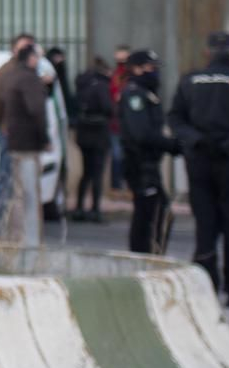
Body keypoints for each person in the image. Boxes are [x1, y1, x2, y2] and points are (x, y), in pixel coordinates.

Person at [169, 36, 229, 308]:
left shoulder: (191, 80)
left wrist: (196, 140)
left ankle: (207, 286)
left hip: (198, 161)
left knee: (206, 224)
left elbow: (175, 117)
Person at [118, 50, 180, 255]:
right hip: (139, 163)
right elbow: (141, 133)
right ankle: (144, 257)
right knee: (149, 214)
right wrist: (170, 144)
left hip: (149, 163)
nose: (154, 73)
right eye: (150, 68)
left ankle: (150, 254)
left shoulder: (146, 94)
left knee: (157, 210)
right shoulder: (134, 94)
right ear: (136, 69)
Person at [0, 43, 50, 244]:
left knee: (8, 185)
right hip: (23, 141)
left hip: (11, 136)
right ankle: (18, 237)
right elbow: (36, 111)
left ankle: (0, 233)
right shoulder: (24, 78)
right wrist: (44, 139)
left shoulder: (11, 75)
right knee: (22, 191)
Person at [72, 56, 114, 221]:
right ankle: (95, 209)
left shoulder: (82, 84)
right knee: (97, 172)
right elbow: (107, 108)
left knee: (86, 172)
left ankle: (79, 208)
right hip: (98, 133)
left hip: (83, 133)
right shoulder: (102, 86)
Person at [109, 45, 131, 191]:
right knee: (117, 154)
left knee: (125, 154)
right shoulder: (114, 75)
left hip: (127, 121)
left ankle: (124, 182)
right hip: (116, 121)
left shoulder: (129, 76)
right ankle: (117, 184)